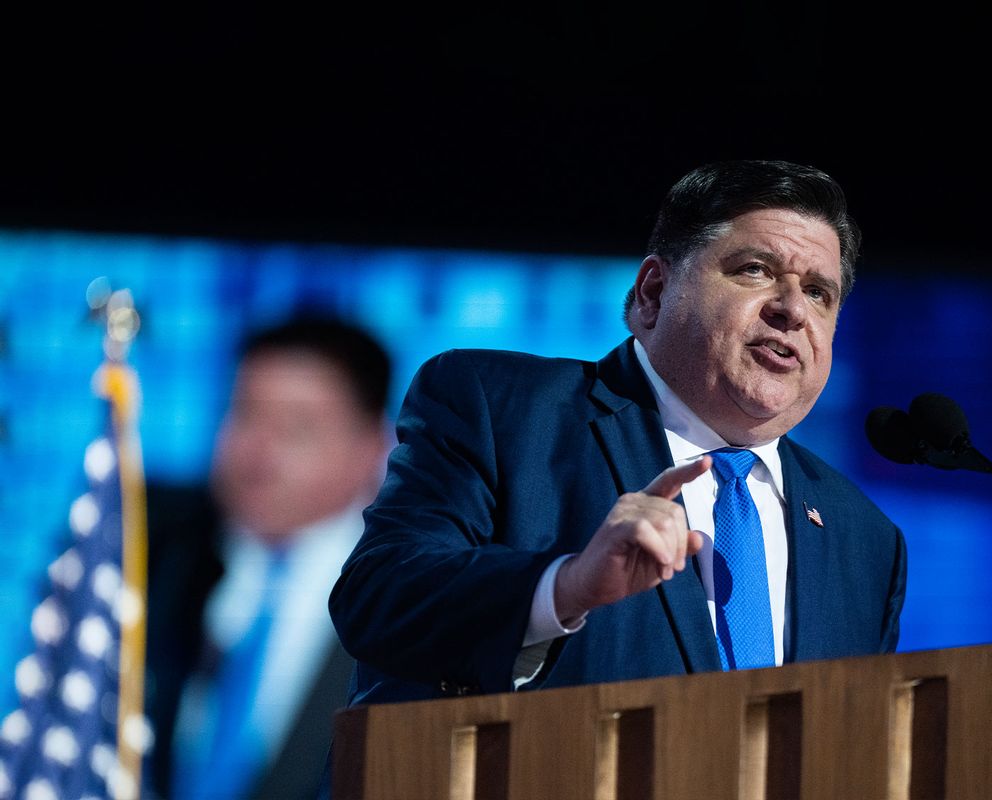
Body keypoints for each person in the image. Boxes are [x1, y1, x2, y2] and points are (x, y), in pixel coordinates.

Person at [329, 161, 906, 709]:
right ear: (654, 292)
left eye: (819, 293)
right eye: (755, 270)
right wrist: (566, 587)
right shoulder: (498, 407)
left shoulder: (866, 540)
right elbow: (379, 599)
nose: (791, 310)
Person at [145, 317, 392, 799]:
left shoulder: (415, 595)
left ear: (374, 448)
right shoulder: (151, 549)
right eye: (245, 415)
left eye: (297, 429)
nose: (260, 454)